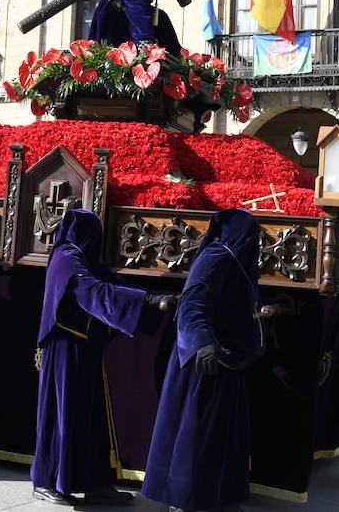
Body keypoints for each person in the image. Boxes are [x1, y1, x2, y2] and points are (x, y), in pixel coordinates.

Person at [31, 209, 171, 506]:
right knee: (62, 417)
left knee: (92, 417)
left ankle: (95, 483)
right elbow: (93, 291)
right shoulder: (66, 258)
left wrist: (154, 298)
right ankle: (46, 481)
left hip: (85, 348)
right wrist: (147, 300)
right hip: (64, 350)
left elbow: (113, 281)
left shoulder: (85, 258)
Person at [143, 209, 266, 508]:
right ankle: (184, 498)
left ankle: (219, 495)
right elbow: (192, 305)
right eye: (251, 236)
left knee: (222, 437)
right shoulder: (215, 257)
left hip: (227, 359)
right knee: (194, 435)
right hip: (204, 363)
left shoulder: (237, 259)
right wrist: (202, 344)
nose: (254, 243)